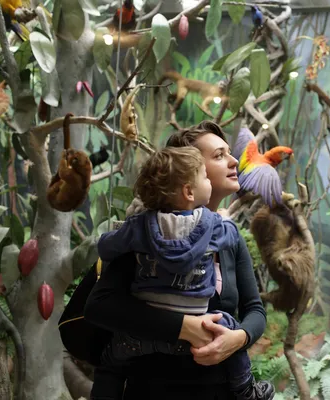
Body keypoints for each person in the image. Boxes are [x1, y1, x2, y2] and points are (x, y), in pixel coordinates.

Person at [85, 121, 274, 400]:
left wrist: (238, 339)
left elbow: (255, 310)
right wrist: (183, 327)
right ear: (182, 174)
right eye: (219, 155)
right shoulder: (147, 233)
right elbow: (99, 307)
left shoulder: (228, 235)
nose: (234, 160)